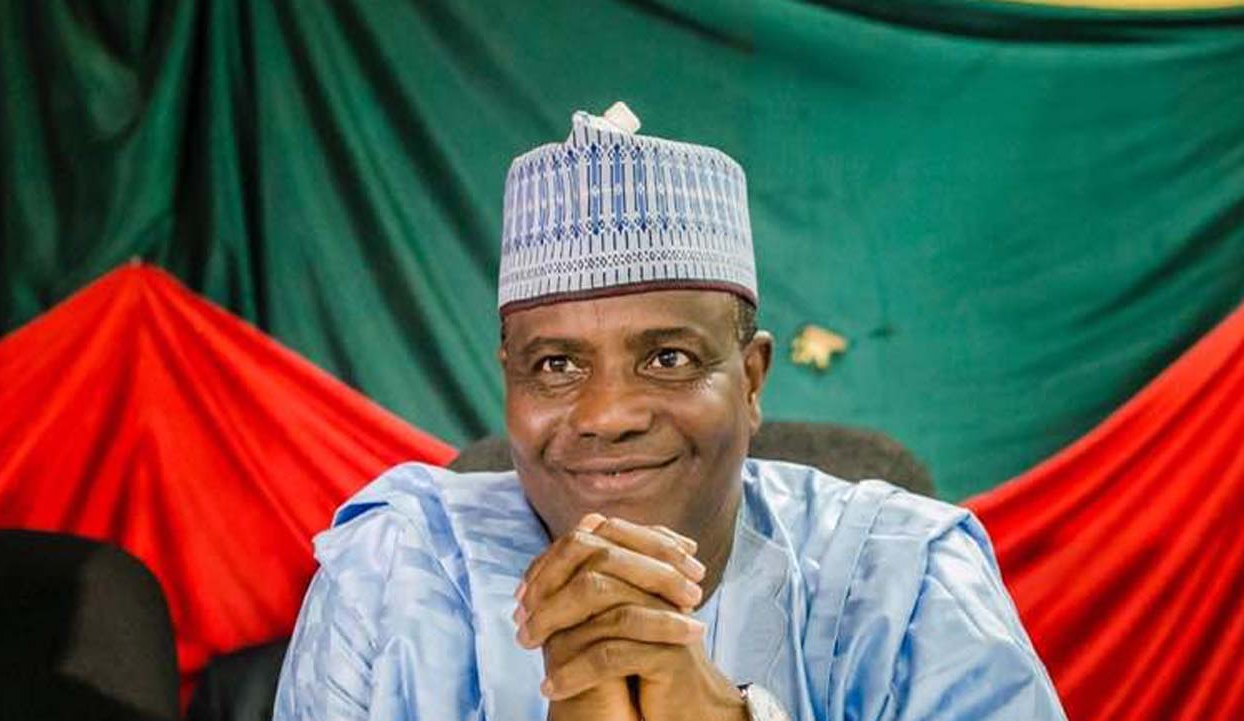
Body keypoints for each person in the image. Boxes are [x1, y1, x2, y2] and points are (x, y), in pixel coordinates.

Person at [272, 103, 1067, 721]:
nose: (608, 413)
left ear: (750, 380)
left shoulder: (908, 575)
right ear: (509, 381)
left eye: (669, 358)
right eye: (556, 365)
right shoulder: (392, 570)